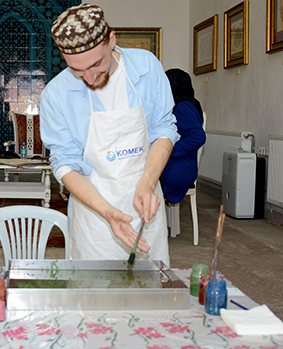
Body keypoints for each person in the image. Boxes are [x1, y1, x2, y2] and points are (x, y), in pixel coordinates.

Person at [40, 4, 179, 265]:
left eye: (96, 65)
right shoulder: (56, 94)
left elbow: (164, 129)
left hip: (145, 204)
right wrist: (107, 212)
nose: (90, 78)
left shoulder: (146, 67)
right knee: (93, 296)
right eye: (78, 71)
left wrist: (148, 183)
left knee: (149, 294)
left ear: (112, 40)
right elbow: (65, 163)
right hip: (94, 216)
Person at [161, 68, 206, 204]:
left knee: (138, 175)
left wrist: (168, 150)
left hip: (180, 167)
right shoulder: (178, 105)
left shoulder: (183, 106)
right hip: (177, 164)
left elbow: (198, 137)